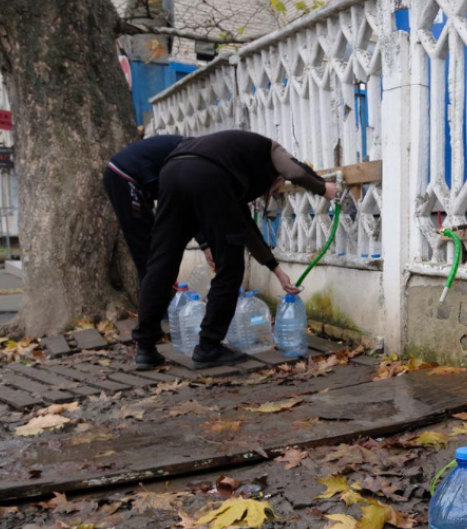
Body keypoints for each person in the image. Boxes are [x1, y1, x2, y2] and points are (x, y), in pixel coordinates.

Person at [132, 130, 337, 371]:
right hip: (207, 176)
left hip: (170, 173)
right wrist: (324, 189)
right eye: (277, 185)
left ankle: (145, 349)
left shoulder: (234, 160)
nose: (269, 192)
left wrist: (276, 269)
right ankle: (208, 346)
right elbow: (295, 170)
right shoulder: (271, 149)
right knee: (230, 266)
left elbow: (244, 227)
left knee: (161, 263)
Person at [103, 134, 214, 281]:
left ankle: (158, 293)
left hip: (141, 182)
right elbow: (186, 204)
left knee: (154, 245)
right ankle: (153, 299)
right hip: (124, 176)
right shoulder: (191, 156)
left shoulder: (196, 156)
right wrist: (206, 245)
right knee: (144, 250)